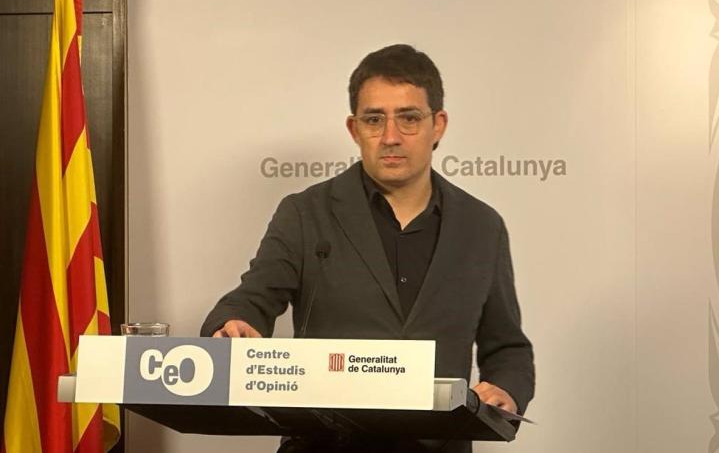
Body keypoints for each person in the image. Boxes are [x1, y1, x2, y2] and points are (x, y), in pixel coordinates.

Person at [201, 44, 535, 452]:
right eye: (374, 119)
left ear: (438, 125)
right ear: (354, 128)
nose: (391, 137)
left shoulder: (482, 226)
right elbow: (252, 300)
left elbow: (508, 347)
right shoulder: (305, 212)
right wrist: (233, 324)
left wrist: (505, 390)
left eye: (409, 118)